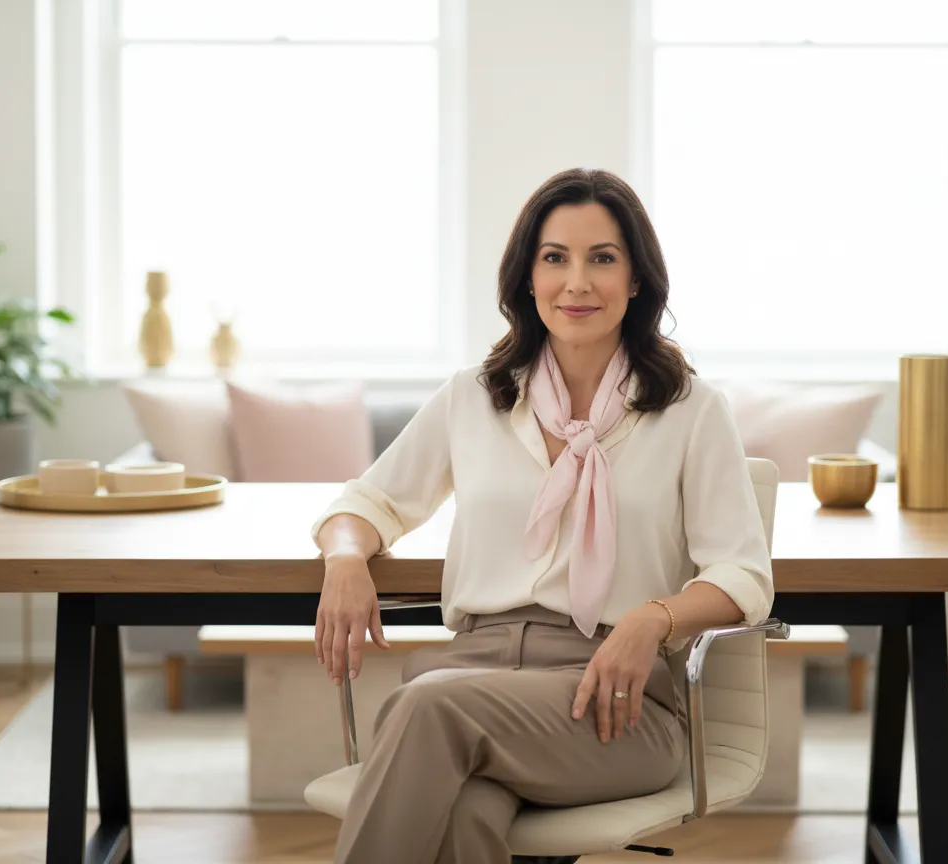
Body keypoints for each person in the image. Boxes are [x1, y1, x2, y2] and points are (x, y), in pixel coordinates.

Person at [309, 168, 774, 864]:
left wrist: (651, 620)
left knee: (426, 706)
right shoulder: (474, 397)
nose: (576, 282)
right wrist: (346, 559)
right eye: (555, 257)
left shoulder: (691, 411)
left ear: (637, 280)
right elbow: (366, 504)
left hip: (612, 699)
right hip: (472, 677)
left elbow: (742, 574)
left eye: (602, 258)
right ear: (528, 278)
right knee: (467, 810)